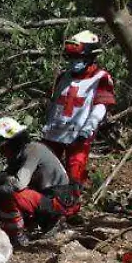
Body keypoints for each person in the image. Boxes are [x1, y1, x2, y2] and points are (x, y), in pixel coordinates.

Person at [0, 117, 82, 248]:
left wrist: (3, 178)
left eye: (2, 148)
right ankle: (36, 224)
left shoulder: (32, 150)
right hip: (52, 199)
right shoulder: (23, 153)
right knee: (2, 188)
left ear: (11, 143)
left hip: (60, 201)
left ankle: (17, 235)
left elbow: (19, 184)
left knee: (9, 193)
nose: (2, 153)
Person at [40, 30, 115, 187]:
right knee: (45, 174)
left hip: (79, 137)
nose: (75, 61)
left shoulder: (100, 78)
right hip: (53, 134)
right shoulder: (63, 77)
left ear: (89, 57)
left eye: (79, 58)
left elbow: (100, 107)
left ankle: (70, 206)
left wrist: (89, 128)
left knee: (74, 177)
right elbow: (53, 104)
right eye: (72, 58)